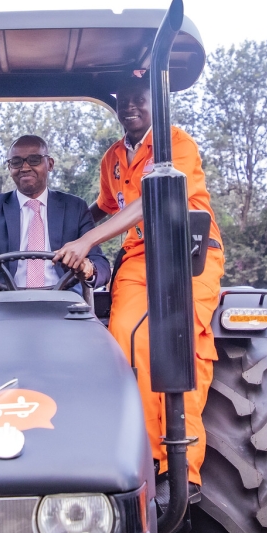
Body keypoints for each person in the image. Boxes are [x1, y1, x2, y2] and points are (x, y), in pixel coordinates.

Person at [54, 75, 224, 495]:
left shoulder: (175, 144)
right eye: (124, 100)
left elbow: (154, 200)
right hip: (139, 257)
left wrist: (88, 239)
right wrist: (68, 228)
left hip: (187, 251)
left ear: (156, 103)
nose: (130, 106)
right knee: (126, 338)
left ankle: (182, 470)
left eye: (139, 99)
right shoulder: (113, 158)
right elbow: (107, 207)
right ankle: (147, 458)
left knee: (185, 342)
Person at [0, 135, 110, 291]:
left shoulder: (75, 208)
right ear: (9, 168)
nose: (25, 167)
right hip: (4, 300)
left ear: (50, 164)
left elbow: (101, 266)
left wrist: (89, 268)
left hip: (62, 302)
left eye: (34, 159)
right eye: (16, 162)